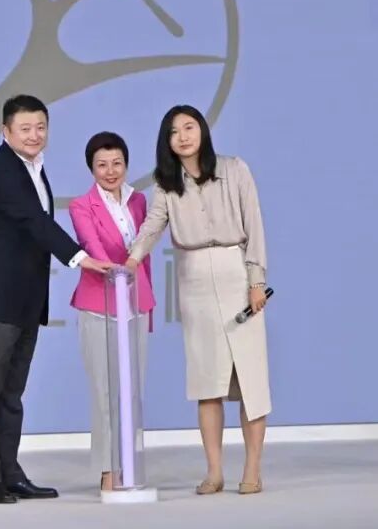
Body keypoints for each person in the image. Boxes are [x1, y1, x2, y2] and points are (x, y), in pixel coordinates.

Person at [0, 95, 113, 504]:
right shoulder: (1, 170)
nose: (34, 135)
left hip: (26, 301)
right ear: (5, 131)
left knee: (11, 395)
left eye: (40, 127)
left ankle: (9, 473)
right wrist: (80, 257)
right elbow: (33, 221)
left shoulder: (33, 168)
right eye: (25, 128)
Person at [124, 105, 271, 495]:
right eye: (174, 132)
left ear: (202, 130)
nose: (183, 136)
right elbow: (153, 225)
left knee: (251, 380)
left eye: (189, 127)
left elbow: (254, 224)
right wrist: (132, 258)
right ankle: (214, 472)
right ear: (166, 142)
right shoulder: (167, 183)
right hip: (194, 281)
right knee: (207, 381)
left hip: (236, 273)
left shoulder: (235, 169)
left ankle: (253, 469)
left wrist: (256, 280)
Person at [67, 131, 158, 492]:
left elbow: (144, 255)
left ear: (126, 165)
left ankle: (130, 466)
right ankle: (108, 469)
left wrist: (146, 301)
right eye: (102, 165)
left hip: (136, 305)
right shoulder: (81, 206)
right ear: (91, 168)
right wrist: (117, 273)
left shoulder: (139, 201)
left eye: (117, 163)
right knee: (105, 392)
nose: (110, 171)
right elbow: (93, 248)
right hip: (99, 305)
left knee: (132, 391)